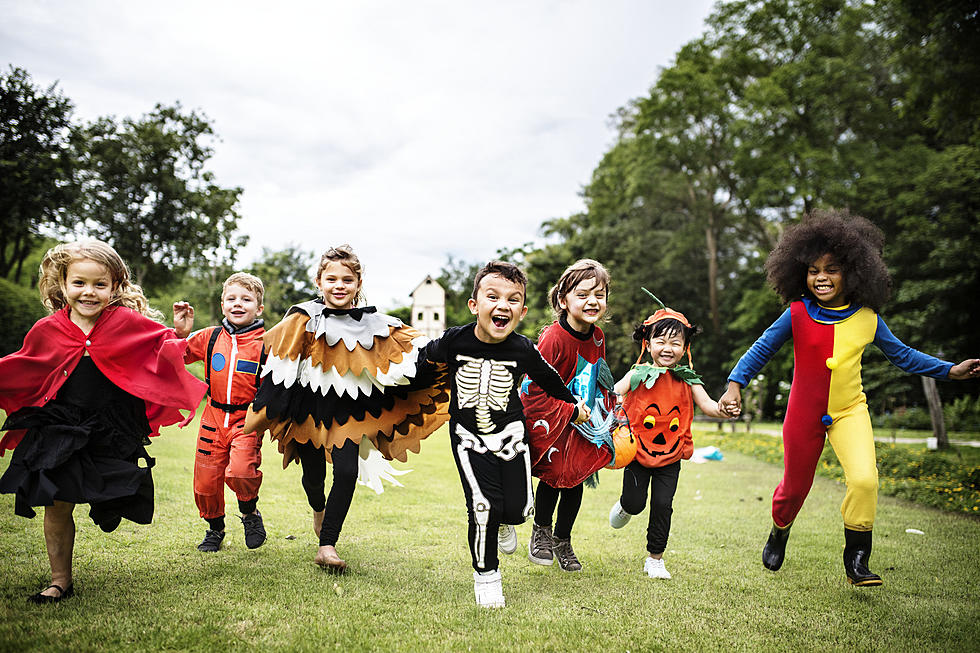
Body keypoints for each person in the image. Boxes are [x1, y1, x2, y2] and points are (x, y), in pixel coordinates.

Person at [718, 210, 980, 586]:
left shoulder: (869, 318)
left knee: (864, 480)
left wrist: (950, 369)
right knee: (794, 488)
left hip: (849, 411)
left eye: (832, 269)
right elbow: (760, 350)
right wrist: (735, 384)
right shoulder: (795, 313)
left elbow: (904, 355)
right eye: (813, 270)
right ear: (800, 274)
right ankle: (780, 530)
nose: (821, 277)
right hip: (803, 414)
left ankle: (857, 557)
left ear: (854, 272)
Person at [0, 240, 207, 603]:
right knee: (57, 501)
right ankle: (59, 580)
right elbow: (25, 364)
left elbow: (161, 352)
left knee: (112, 500)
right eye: (79, 283)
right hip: (59, 426)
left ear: (115, 287)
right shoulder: (47, 328)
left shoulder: (126, 322)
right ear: (62, 284)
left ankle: (106, 508)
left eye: (99, 284)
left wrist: (179, 334)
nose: (88, 292)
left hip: (111, 426)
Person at [244, 245, 448, 574]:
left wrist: (456, 343)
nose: (339, 285)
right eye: (332, 278)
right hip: (308, 409)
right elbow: (265, 349)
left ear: (357, 282)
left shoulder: (376, 323)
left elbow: (415, 346)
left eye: (347, 279)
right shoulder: (302, 317)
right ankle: (318, 509)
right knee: (314, 477)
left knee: (347, 473)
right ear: (319, 281)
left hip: (350, 413)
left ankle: (327, 545)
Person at [418, 261, 590, 608]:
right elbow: (422, 362)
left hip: (512, 434)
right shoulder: (455, 340)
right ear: (474, 305)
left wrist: (575, 405)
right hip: (467, 436)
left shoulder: (522, 348)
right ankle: (487, 576)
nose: (502, 306)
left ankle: (504, 520)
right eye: (492, 296)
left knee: (517, 509)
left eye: (513, 300)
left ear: (522, 311)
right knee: (482, 506)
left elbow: (549, 379)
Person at [608, 294, 734, 580]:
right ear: (648, 344)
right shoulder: (638, 373)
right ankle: (626, 506)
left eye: (675, 342)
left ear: (685, 347)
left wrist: (724, 409)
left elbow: (709, 406)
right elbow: (614, 392)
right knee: (636, 503)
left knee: (663, 505)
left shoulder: (688, 379)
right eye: (661, 341)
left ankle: (655, 559)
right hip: (638, 452)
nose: (668, 348)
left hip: (671, 455)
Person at [520, 259, 615, 572]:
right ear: (563, 300)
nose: (592, 301)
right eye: (583, 294)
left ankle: (563, 539)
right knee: (554, 477)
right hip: (554, 420)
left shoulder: (598, 337)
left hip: (583, 423)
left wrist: (608, 410)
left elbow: (597, 376)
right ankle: (541, 532)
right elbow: (533, 388)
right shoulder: (553, 338)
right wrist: (568, 410)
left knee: (575, 480)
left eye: (599, 295)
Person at [173, 272, 268, 552]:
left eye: (246, 299)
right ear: (222, 304)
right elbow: (176, 355)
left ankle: (250, 513)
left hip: (247, 420)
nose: (238, 304)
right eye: (232, 298)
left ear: (259, 308)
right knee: (206, 481)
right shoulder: (210, 336)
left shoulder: (267, 343)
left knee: (241, 471)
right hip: (213, 417)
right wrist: (180, 333)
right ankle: (215, 530)